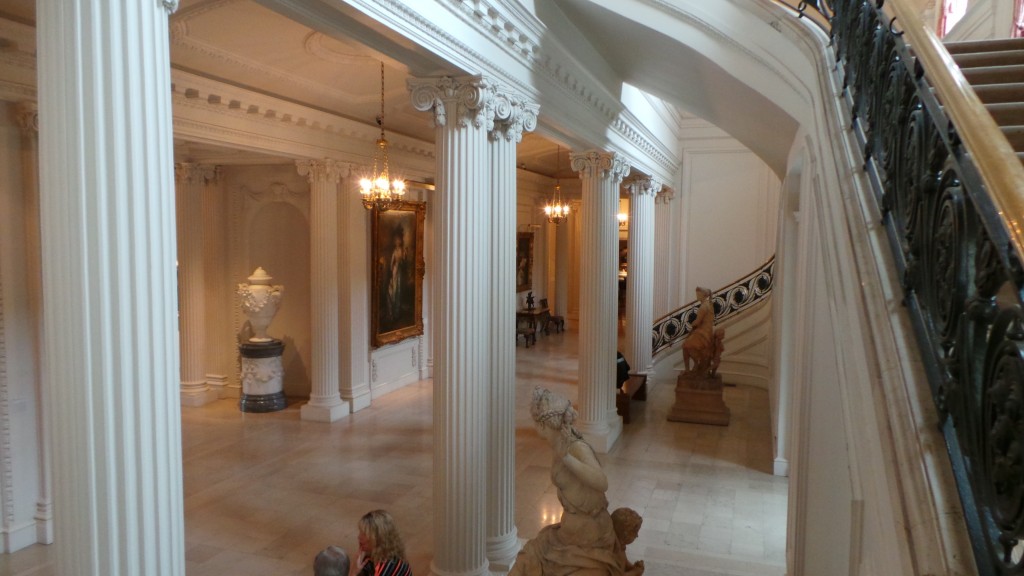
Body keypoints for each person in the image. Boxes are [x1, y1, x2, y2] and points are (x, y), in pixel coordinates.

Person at [510, 386, 625, 575]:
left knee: (529, 561)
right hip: (568, 534)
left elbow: (601, 481)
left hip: (588, 538)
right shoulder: (559, 445)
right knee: (525, 559)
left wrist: (568, 460)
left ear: (542, 425)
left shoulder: (575, 447)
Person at [355, 509, 412, 576]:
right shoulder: (370, 556)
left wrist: (354, 571)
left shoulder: (389, 567)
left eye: (364, 534)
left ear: (377, 538)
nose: (359, 537)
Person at [682, 286, 715, 373]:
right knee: (686, 345)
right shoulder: (709, 304)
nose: (697, 296)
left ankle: (692, 367)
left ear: (703, 295)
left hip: (703, 332)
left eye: (698, 294)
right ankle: (695, 365)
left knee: (685, 346)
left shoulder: (703, 307)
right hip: (707, 331)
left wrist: (692, 323)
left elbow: (697, 322)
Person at [610, 508, 645, 576]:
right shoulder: (614, 552)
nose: (637, 536)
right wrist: (635, 572)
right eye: (635, 532)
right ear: (624, 534)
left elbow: (625, 563)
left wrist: (634, 567)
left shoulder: (621, 547)